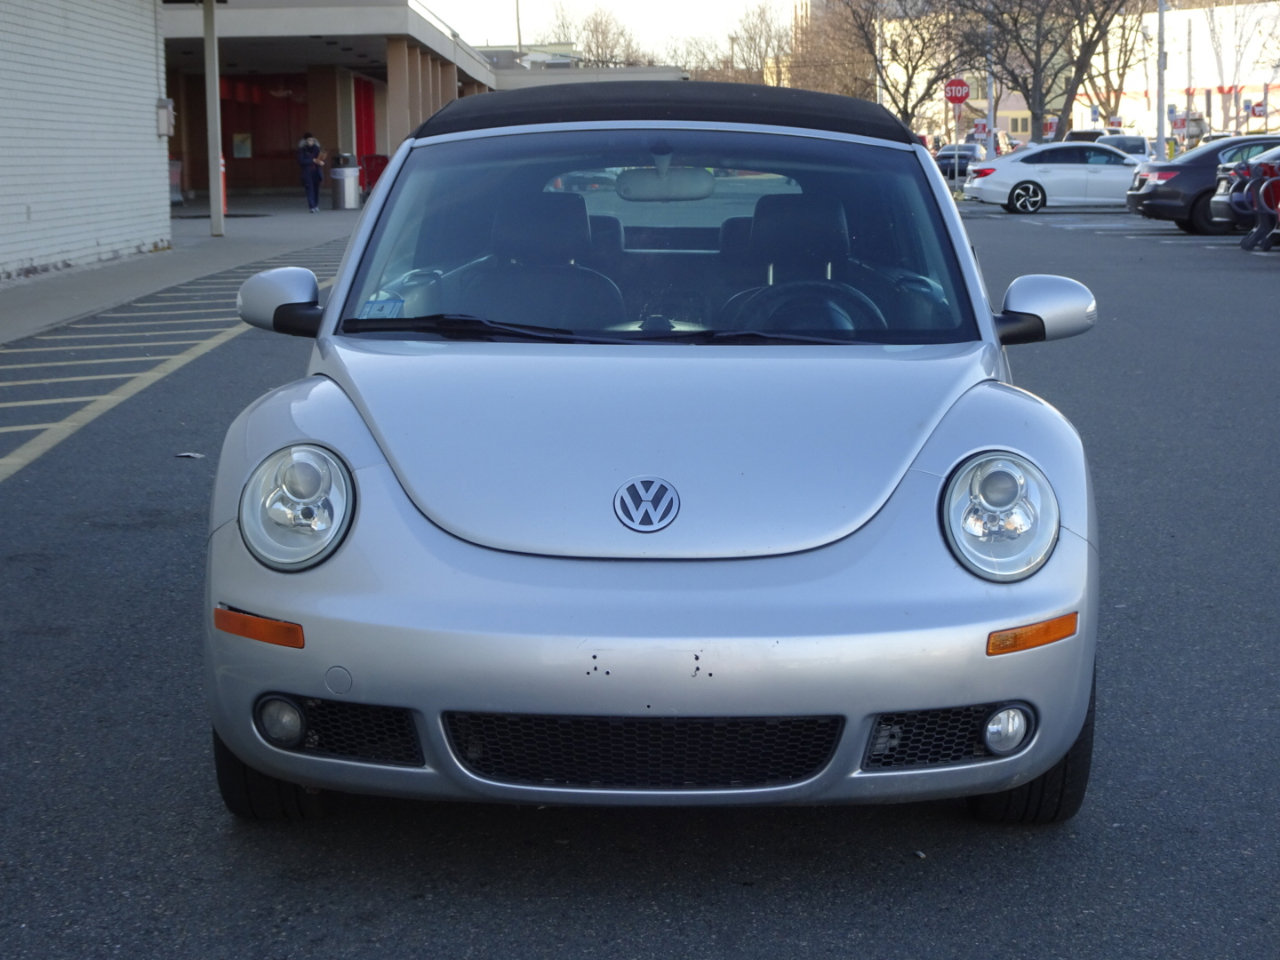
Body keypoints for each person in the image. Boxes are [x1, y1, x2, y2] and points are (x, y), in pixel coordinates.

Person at [296, 133, 325, 212]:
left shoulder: (316, 148)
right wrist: (312, 160)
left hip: (316, 171)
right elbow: (301, 161)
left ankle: (316, 205)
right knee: (310, 189)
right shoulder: (302, 150)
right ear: (305, 141)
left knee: (316, 189)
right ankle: (312, 206)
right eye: (309, 140)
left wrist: (321, 162)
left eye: (312, 140)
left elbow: (320, 158)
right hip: (307, 172)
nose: (311, 141)